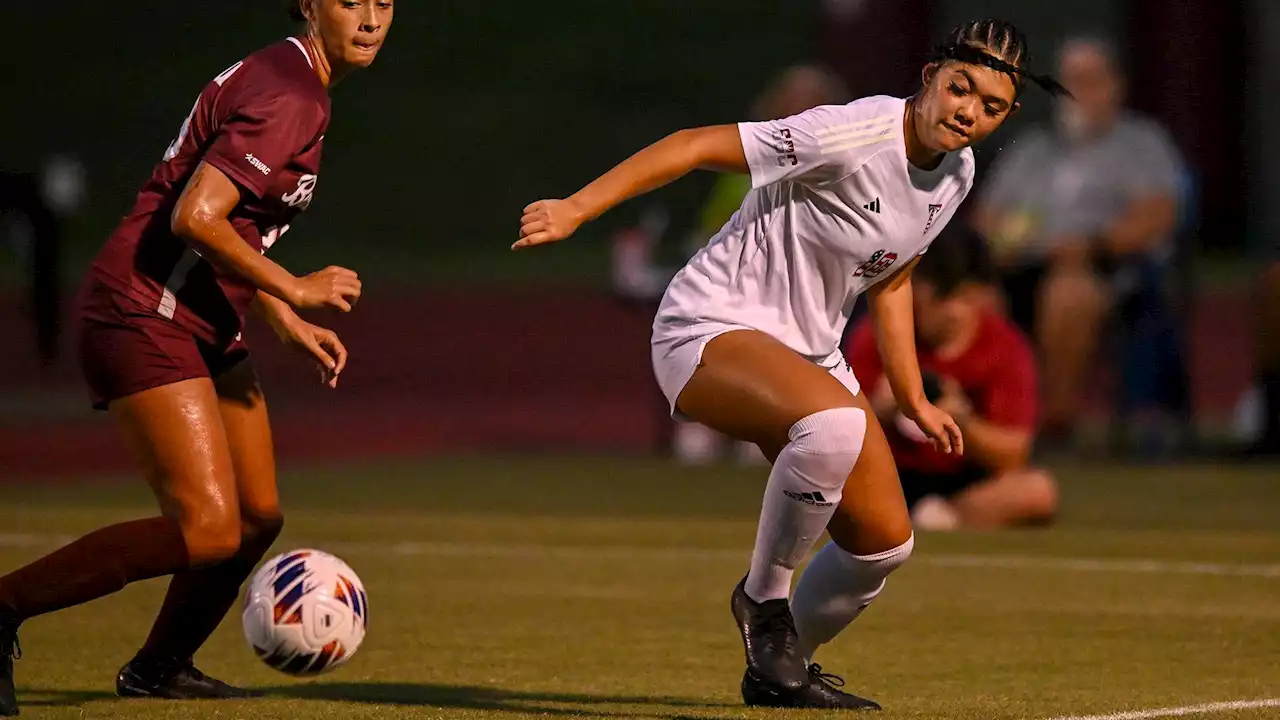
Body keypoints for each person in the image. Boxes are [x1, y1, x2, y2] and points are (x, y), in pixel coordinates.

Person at [516, 19, 1067, 710]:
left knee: (881, 548)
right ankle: (762, 601)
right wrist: (576, 207)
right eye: (961, 89)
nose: (968, 112)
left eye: (990, 107)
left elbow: (891, 278)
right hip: (709, 327)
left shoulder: (956, 172)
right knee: (834, 427)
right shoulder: (847, 133)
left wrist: (914, 399)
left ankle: (781, 670)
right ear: (929, 78)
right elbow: (691, 147)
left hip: (809, 356)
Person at [0, 1, 393, 714]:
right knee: (209, 528)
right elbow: (193, 216)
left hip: (200, 314)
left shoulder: (288, 76)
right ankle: (3, 608)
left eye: (385, 4)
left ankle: (159, 666)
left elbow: (232, 218)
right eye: (350, 1)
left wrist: (274, 312)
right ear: (310, 5)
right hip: (142, 311)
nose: (369, 19)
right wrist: (295, 290)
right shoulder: (292, 94)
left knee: (257, 517)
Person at [972, 36, 1186, 444]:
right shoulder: (1032, 150)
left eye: (1091, 81)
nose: (1078, 93)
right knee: (973, 299)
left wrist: (1090, 245)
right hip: (1023, 265)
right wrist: (1006, 243)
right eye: (1070, 80)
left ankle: (1055, 420)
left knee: (1067, 294)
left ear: (1115, 85)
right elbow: (988, 217)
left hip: (1104, 267)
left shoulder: (1141, 144)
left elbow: (1158, 214)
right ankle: (990, 419)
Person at [844, 232, 1057, 531]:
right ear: (916, 289)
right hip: (890, 473)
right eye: (943, 297)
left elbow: (1013, 453)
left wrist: (962, 422)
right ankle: (912, 518)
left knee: (1037, 490)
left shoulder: (1006, 347)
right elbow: (837, 431)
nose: (955, 312)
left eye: (967, 298)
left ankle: (935, 518)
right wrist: (882, 407)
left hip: (964, 479)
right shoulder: (877, 335)